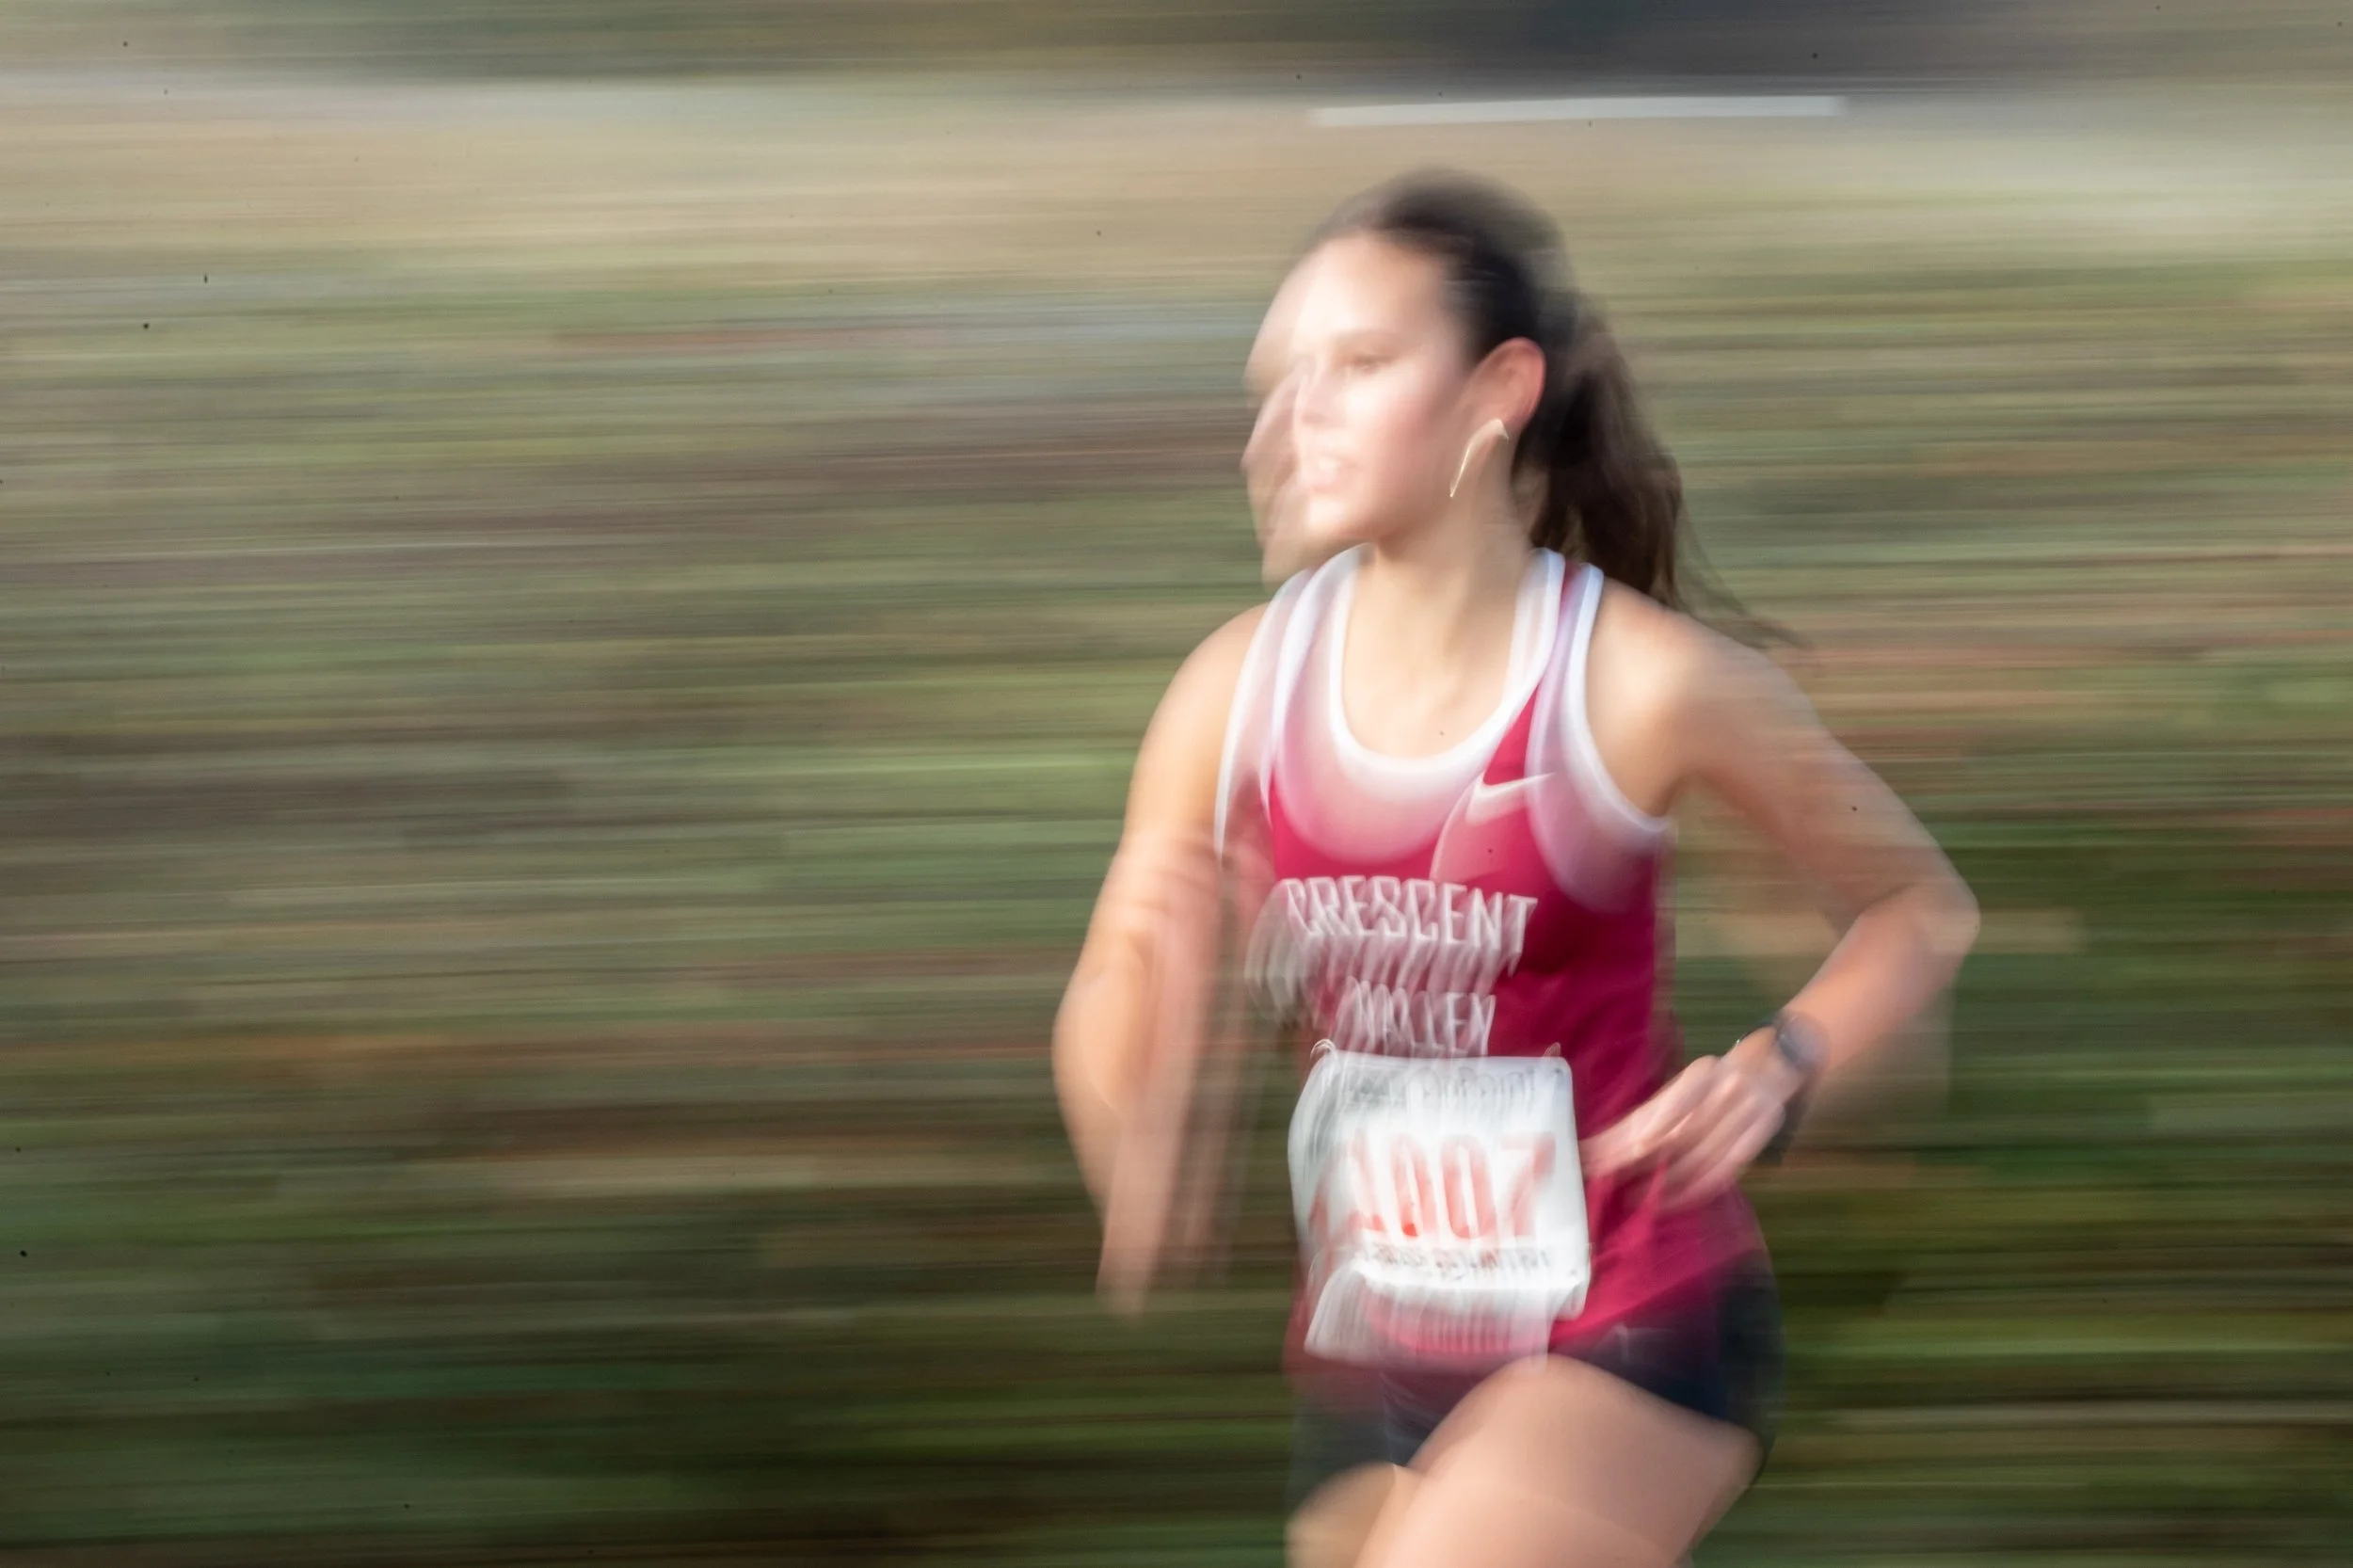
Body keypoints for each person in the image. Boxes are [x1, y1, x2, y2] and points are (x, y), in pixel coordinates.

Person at [1052, 169, 1979, 1568]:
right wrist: (1134, 1102)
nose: (1291, 418)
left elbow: (1920, 906)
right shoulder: (1232, 691)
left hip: (1631, 1317)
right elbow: (1115, 991)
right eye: (1278, 379)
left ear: (1500, 389)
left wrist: (1785, 1059)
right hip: (1372, 1357)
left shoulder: (1642, 686)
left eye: (1358, 364)